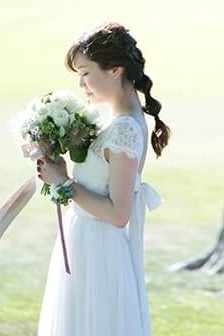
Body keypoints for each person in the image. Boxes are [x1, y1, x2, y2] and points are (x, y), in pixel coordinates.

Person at [36, 22, 170, 336]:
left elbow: (118, 213)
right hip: (83, 238)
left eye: (85, 72)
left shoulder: (125, 128)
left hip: (99, 249)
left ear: (114, 70)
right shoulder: (110, 117)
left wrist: (64, 182)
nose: (81, 85)